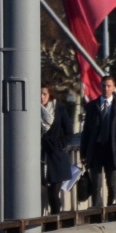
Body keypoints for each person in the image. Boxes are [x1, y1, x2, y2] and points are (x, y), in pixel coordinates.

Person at [80, 75, 116, 207]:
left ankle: (111, 208)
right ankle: (97, 212)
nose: (106, 88)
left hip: (112, 149)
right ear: (100, 87)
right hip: (96, 149)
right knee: (96, 184)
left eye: (109, 86)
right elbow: (86, 132)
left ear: (113, 88)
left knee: (112, 184)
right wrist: (84, 152)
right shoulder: (92, 107)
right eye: (104, 85)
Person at [39, 84, 73, 214]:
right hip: (42, 157)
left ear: (50, 95)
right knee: (45, 192)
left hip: (56, 157)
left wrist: (59, 144)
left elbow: (69, 132)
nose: (41, 97)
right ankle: (48, 220)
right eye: (39, 94)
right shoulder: (32, 110)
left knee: (54, 193)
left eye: (44, 94)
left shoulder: (60, 110)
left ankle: (54, 221)